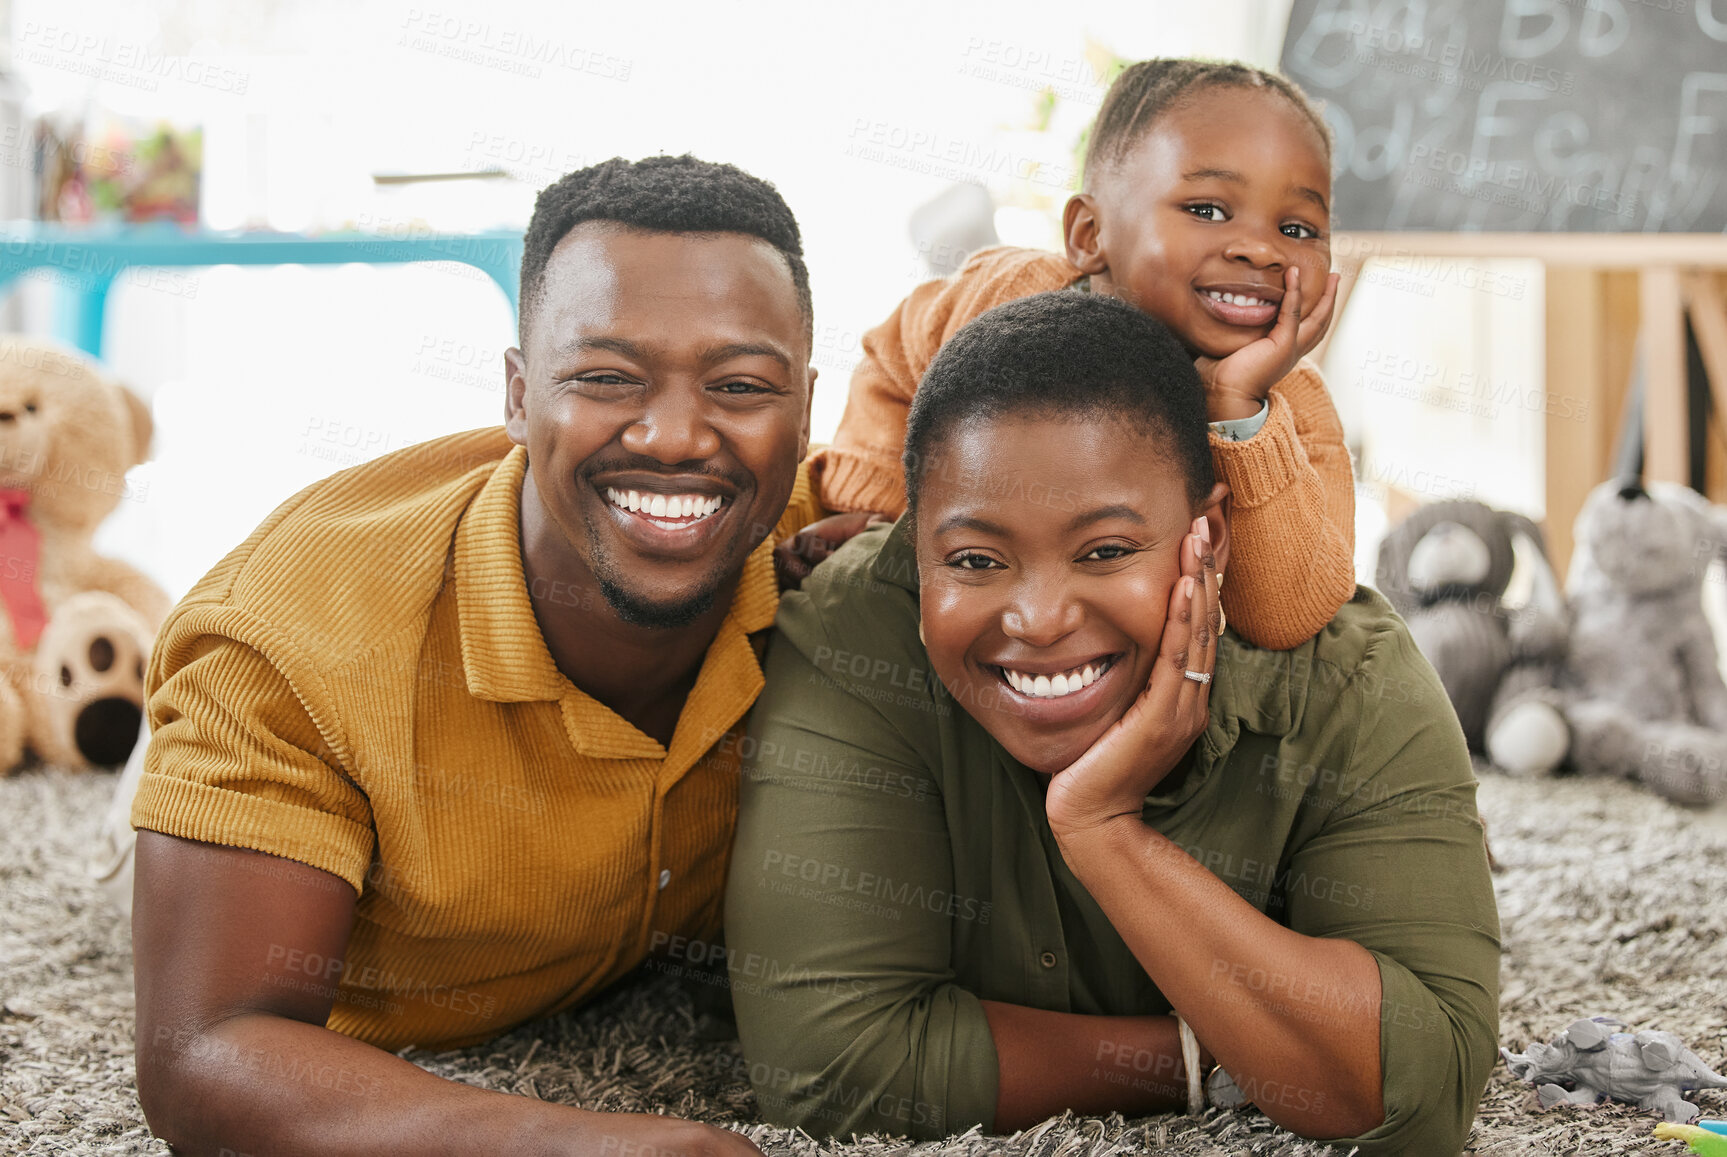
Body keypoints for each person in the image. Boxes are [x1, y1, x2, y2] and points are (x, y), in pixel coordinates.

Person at [128, 155, 825, 1157]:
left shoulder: (847, 546)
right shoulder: (287, 644)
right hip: (269, 694)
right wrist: (596, 1146)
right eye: (603, 377)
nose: (674, 435)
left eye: (739, 385)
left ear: (803, 406)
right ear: (515, 391)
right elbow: (202, 1047)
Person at [724, 293, 1499, 1156]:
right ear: (916, 554)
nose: (1041, 618)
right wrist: (1219, 1050)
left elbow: (1426, 1088)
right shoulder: (852, 636)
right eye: (975, 560)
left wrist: (1103, 833)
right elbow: (831, 1068)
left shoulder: (1349, 674)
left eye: (1103, 551)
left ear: (1207, 532)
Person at [800, 59, 1354, 652]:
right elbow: (894, 358)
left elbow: (1287, 618)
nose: (1261, 250)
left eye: (1297, 229)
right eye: (1208, 211)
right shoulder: (1004, 299)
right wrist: (882, 509)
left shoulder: (1296, 410)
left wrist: (1239, 409)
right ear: (1090, 235)